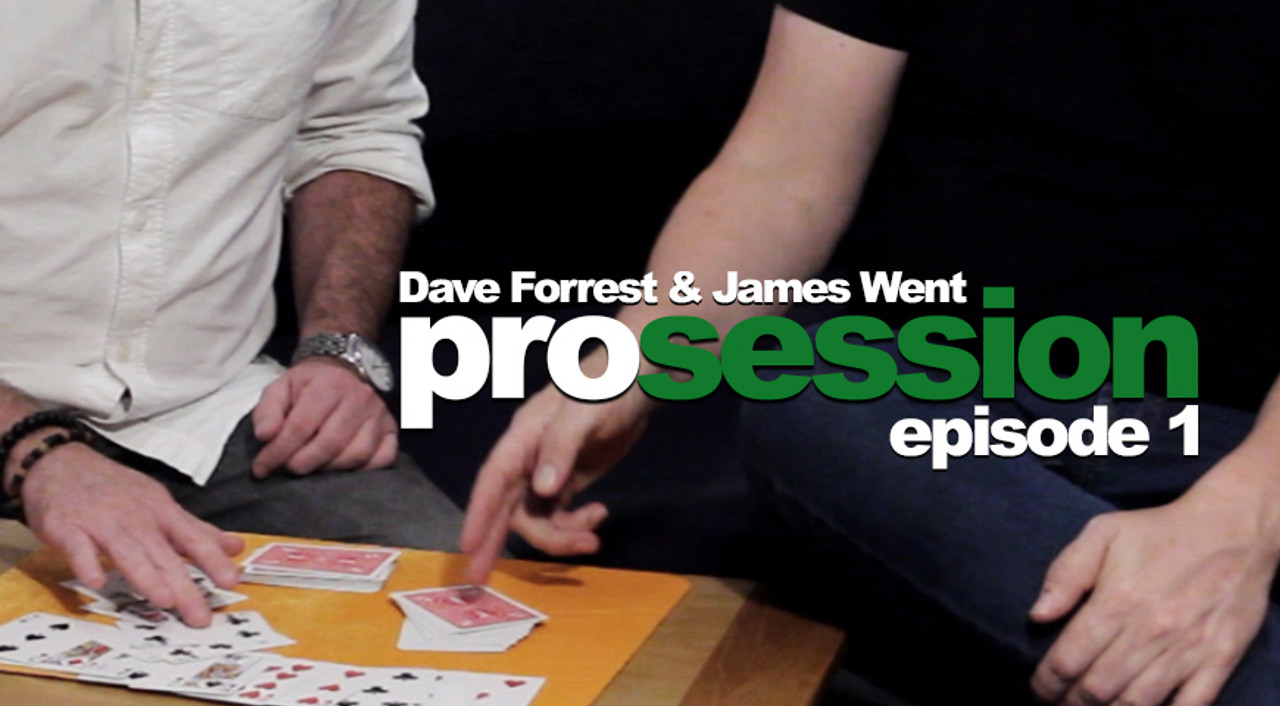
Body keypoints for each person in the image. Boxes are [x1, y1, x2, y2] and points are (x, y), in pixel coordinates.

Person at [461, 3, 1280, 704]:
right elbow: (782, 171)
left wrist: (1240, 519)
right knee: (804, 384)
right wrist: (628, 362)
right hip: (935, 418)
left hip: (1227, 439)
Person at [0, 3, 461, 628]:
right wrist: (35, 450)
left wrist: (339, 348)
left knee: (458, 599)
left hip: (210, 409)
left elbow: (351, 131)